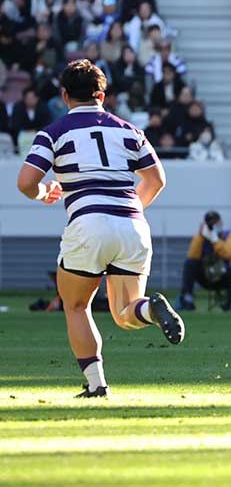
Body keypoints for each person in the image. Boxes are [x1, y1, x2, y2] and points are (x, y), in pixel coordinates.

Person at [15, 59, 184, 398]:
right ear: (102, 95)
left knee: (76, 305)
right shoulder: (129, 130)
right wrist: (129, 209)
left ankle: (96, 385)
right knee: (126, 312)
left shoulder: (54, 132)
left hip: (88, 222)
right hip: (133, 223)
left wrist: (44, 191)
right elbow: (157, 180)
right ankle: (152, 309)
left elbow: (25, 182)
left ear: (64, 96)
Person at [177, 211, 231, 312]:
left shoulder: (229, 235)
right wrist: (201, 236)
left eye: (215, 222)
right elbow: (192, 255)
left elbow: (230, 254)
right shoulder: (202, 237)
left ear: (220, 223)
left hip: (223, 273)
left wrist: (215, 240)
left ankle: (228, 304)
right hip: (206, 275)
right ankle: (187, 299)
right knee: (190, 264)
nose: (214, 225)